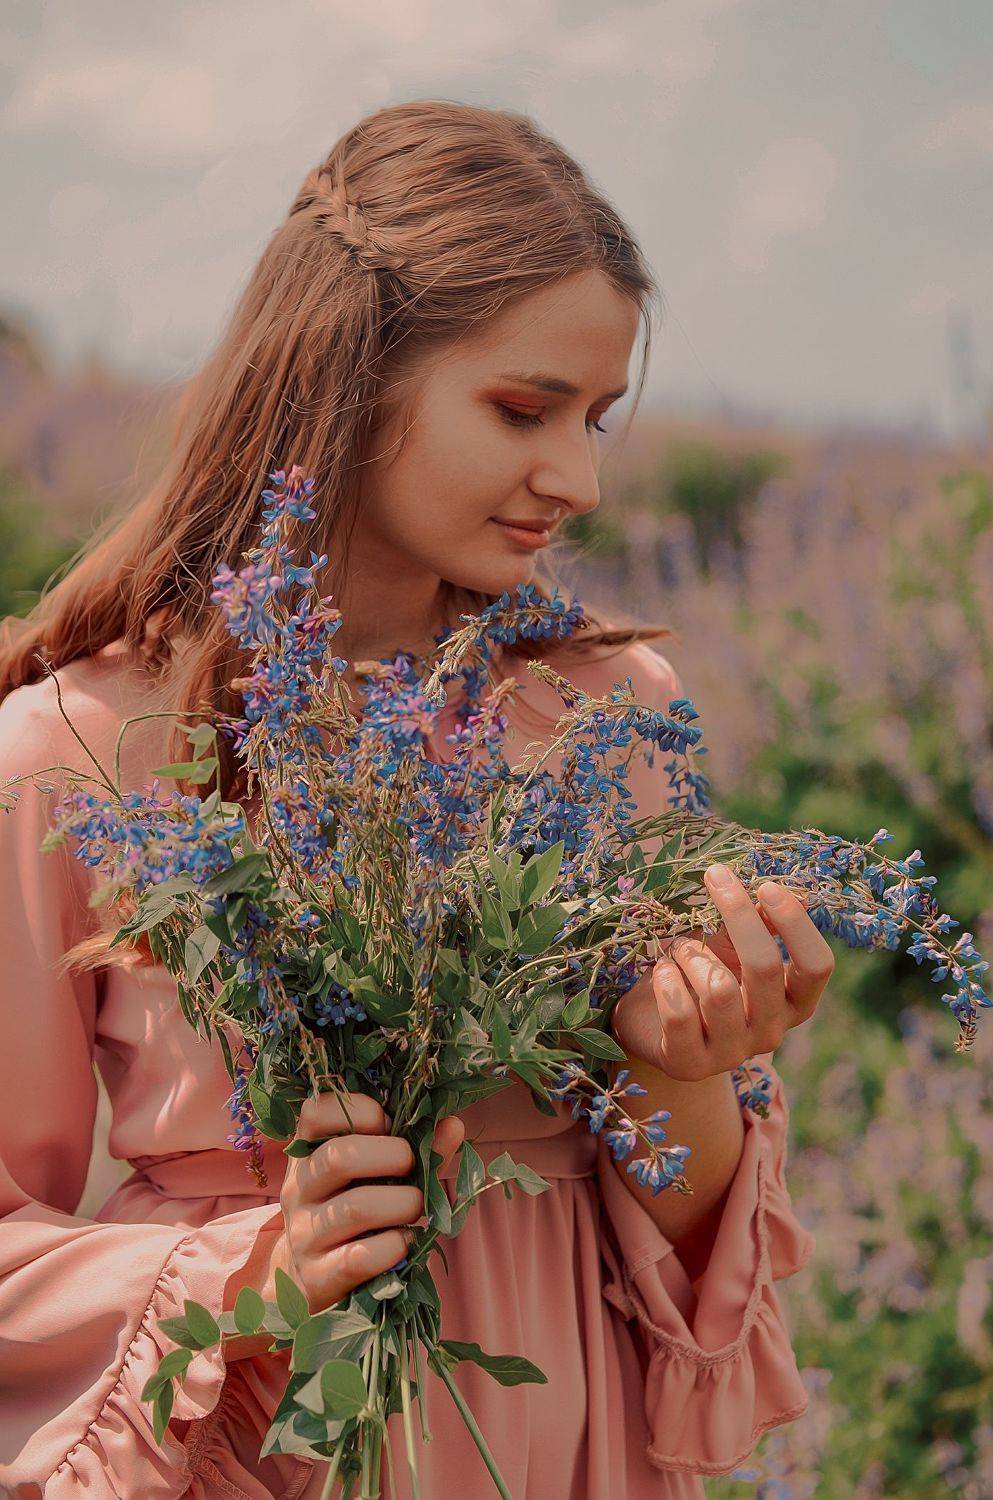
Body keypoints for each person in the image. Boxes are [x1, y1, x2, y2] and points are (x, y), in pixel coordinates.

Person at [0, 100, 833, 1498]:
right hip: (269, 1446)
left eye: (595, 419)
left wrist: (684, 1060)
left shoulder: (606, 715)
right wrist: (259, 1267)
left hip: (571, 1447)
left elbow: (689, 1228)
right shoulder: (75, 751)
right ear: (348, 374)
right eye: (521, 408)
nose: (577, 479)